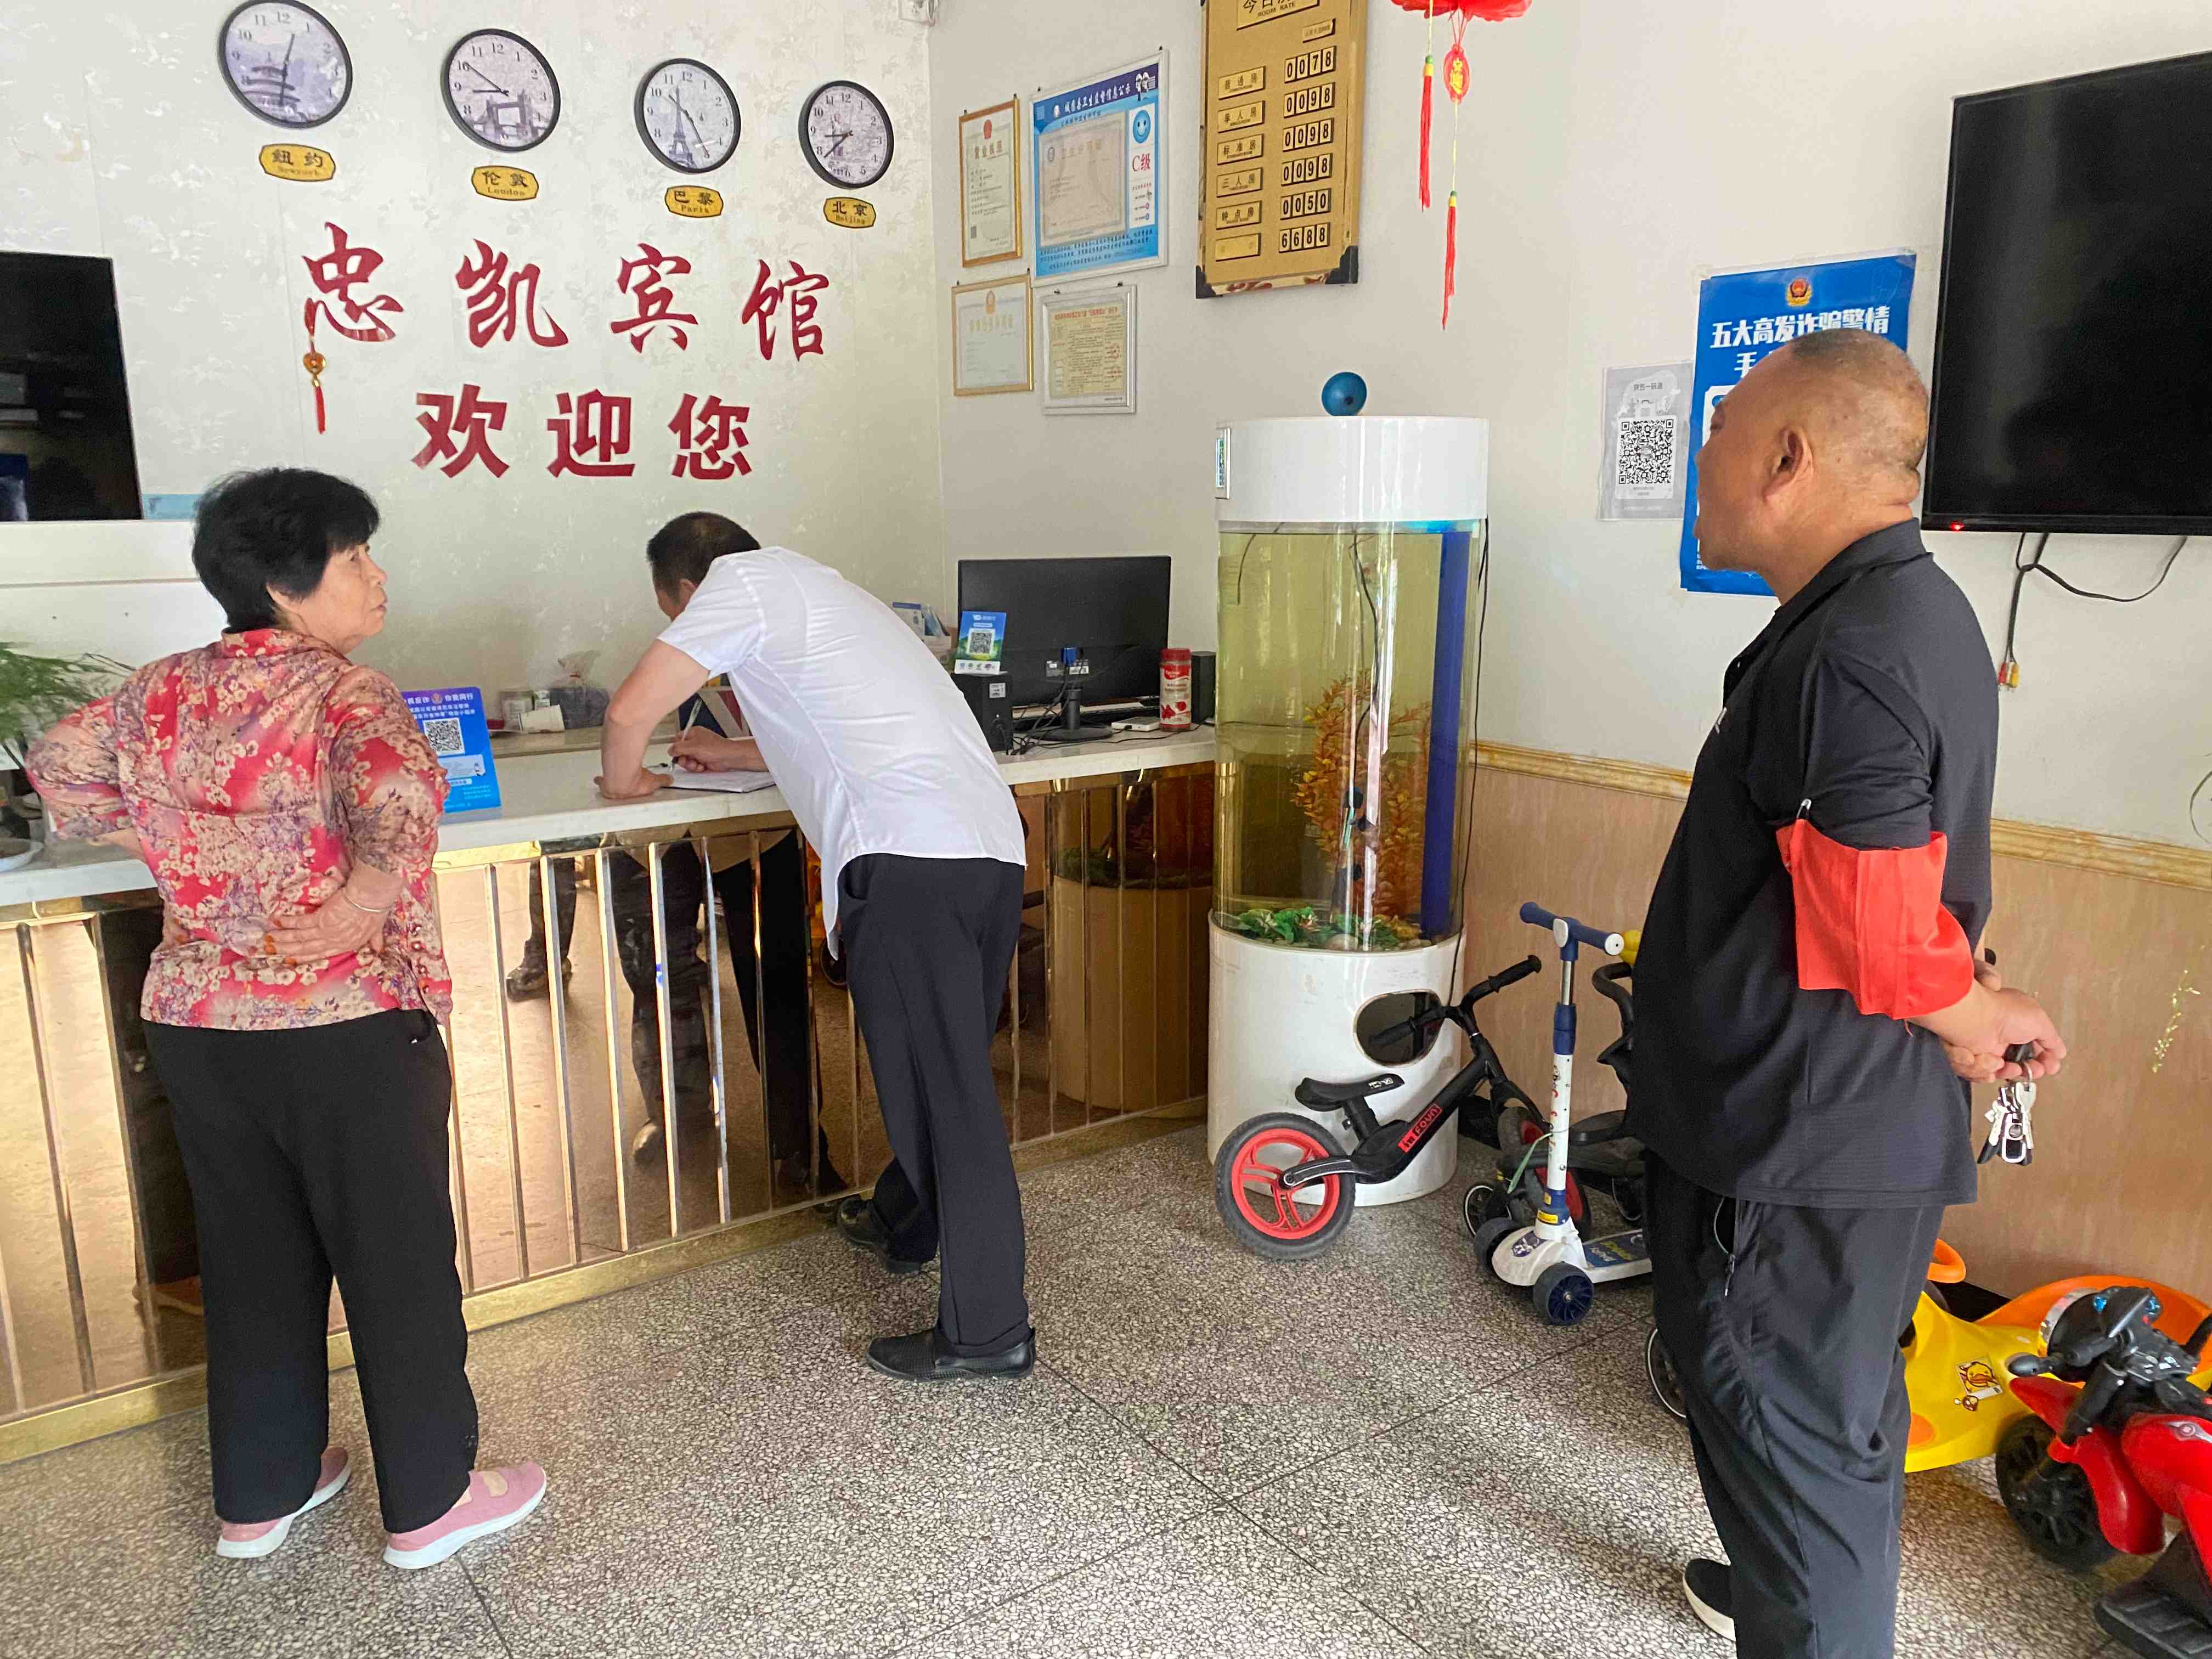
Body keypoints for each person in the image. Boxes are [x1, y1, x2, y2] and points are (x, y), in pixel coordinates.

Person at [1627, 330, 2068, 1657]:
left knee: (1791, 1439)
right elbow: (1898, 876)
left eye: (1721, 431)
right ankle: (1793, 1593)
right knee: (1827, 1429)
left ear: (1786, 457)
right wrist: (1970, 996)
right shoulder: (1904, 613)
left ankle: (1810, 1610)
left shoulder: (1854, 648)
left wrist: (1974, 1016)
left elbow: (1874, 926)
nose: (1701, 459)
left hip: (1790, 1154)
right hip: (1830, 1129)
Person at [27, 469, 545, 1568]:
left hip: (199, 1021)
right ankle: (430, 1501)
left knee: (252, 1256)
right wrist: (354, 906)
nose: (377, 576)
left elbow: (57, 765)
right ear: (283, 584)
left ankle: (263, 1493)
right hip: (346, 1019)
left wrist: (183, 851)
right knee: (395, 1259)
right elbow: (401, 805)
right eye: (355, 558)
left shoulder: (158, 689)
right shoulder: (347, 693)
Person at [597, 512, 1034, 1382]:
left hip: (910, 866)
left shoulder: (738, 585)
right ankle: (904, 1219)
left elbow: (627, 712)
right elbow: (837, 730)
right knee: (943, 1074)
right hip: (985, 854)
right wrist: (731, 750)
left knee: (947, 1101)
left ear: (685, 591)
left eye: (678, 614)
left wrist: (627, 782)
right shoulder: (827, 590)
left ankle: (989, 1333)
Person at [503, 692, 839, 1198]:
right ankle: (677, 1114)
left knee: (779, 989)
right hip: (649, 830)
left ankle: (801, 1146)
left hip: (757, 823)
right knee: (656, 981)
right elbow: (623, 716)